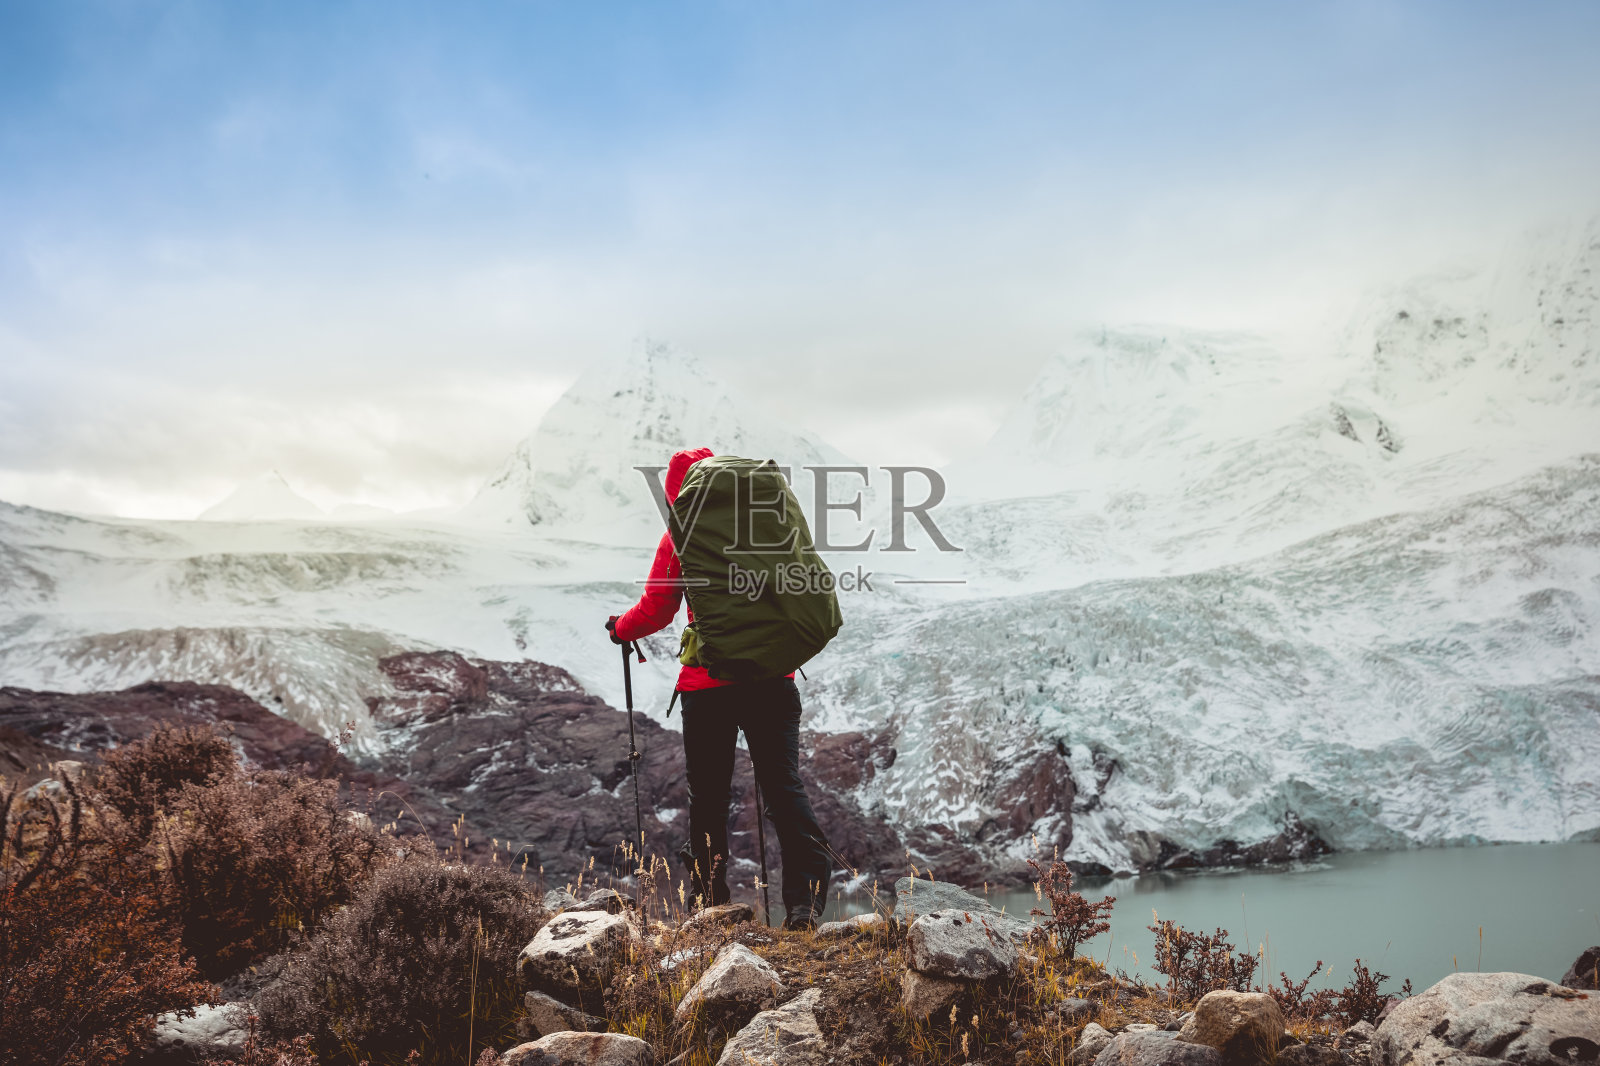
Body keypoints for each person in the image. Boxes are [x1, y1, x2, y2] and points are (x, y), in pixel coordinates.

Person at [606, 446, 833, 929]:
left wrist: (620, 629)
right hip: (772, 680)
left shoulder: (681, 535)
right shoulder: (764, 528)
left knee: (708, 797)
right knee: (783, 788)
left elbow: (656, 609)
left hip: (708, 687)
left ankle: (711, 903)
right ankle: (805, 904)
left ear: (678, 493)